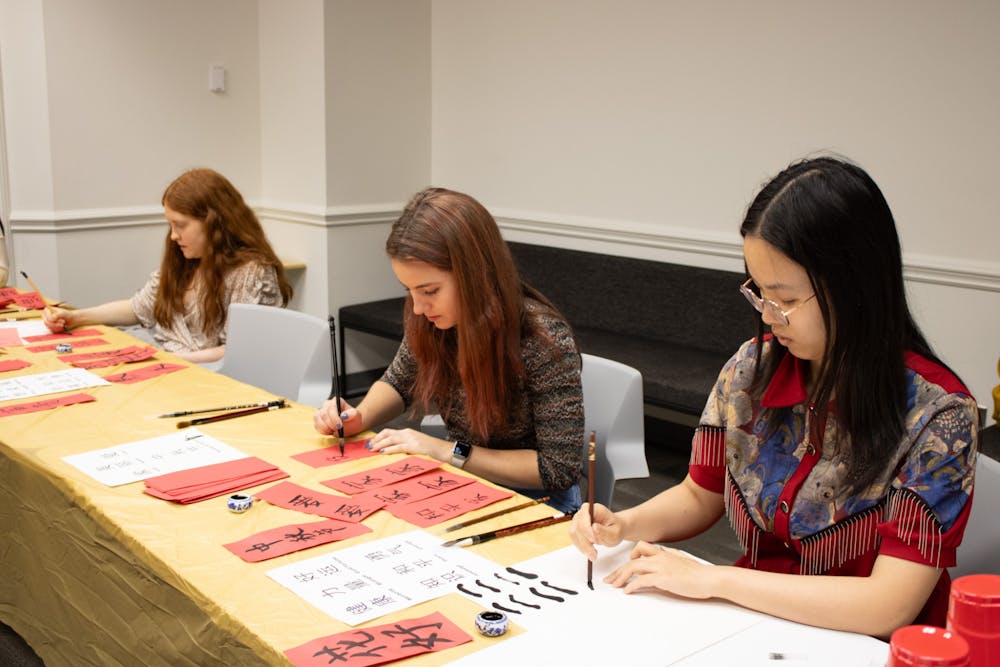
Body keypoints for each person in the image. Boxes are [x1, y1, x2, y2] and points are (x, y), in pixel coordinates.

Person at [570, 156, 978, 638]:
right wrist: (623, 523)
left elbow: (885, 606)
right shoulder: (750, 370)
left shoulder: (939, 416)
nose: (767, 316)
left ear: (856, 287)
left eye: (784, 300)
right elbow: (700, 494)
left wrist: (716, 579)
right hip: (756, 625)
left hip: (865, 644)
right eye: (759, 293)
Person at [313, 187, 585, 513]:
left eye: (429, 290)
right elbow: (399, 382)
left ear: (475, 275)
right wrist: (359, 416)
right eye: (409, 291)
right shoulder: (435, 320)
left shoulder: (541, 340)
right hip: (462, 482)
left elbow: (556, 469)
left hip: (537, 503)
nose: (417, 307)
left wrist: (448, 451)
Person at [43, 168, 292, 363]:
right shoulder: (186, 259)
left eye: (181, 225)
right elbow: (138, 308)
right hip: (167, 360)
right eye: (170, 225)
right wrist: (77, 317)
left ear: (214, 224)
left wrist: (170, 360)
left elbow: (239, 351)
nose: (173, 236)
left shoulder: (252, 273)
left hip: (205, 373)